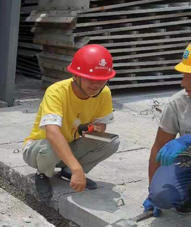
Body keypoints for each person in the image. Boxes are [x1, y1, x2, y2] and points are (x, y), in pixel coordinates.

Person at [23, 44, 120, 200]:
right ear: (76, 75)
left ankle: (67, 172)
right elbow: (52, 133)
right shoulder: (57, 92)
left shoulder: (104, 93)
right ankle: (42, 173)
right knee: (51, 145)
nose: (96, 84)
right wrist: (77, 168)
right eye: (90, 79)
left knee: (111, 142)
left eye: (101, 80)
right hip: (39, 149)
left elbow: (101, 126)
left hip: (69, 146)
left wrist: (91, 129)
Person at [144, 44, 191, 216]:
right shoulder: (178, 103)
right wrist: (152, 190)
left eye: (190, 77)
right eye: (184, 76)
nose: (183, 83)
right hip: (188, 160)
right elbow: (159, 147)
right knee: (162, 195)